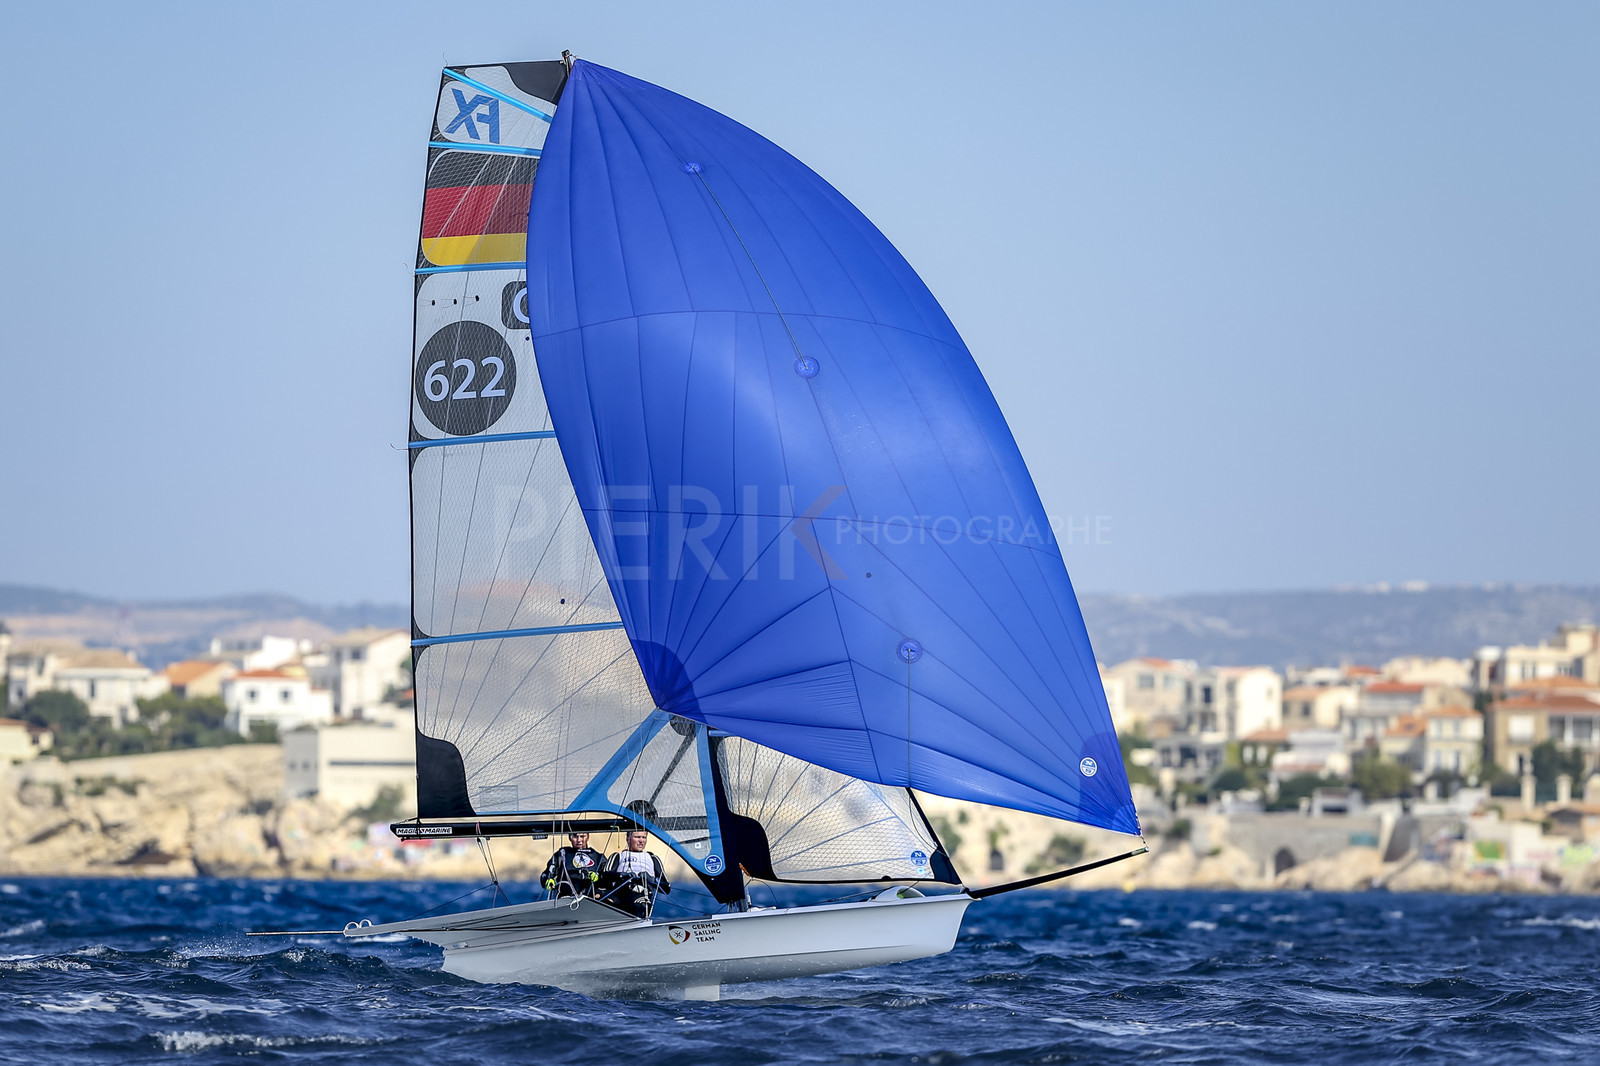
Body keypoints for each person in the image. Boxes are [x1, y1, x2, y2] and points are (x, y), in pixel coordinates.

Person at [601, 830, 671, 917]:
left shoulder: (652, 859)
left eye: (644, 837)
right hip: (622, 897)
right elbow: (603, 877)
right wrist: (622, 875)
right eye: (637, 837)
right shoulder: (618, 856)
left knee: (641, 905)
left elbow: (666, 888)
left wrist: (651, 878)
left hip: (643, 896)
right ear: (628, 839)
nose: (641, 841)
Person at [541, 831, 606, 898]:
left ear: (588, 836)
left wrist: (599, 877)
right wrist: (548, 880)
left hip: (591, 898)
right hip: (565, 898)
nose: (579, 840)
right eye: (575, 836)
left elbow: (609, 880)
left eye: (582, 836)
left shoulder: (598, 857)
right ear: (569, 837)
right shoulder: (562, 854)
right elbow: (545, 874)